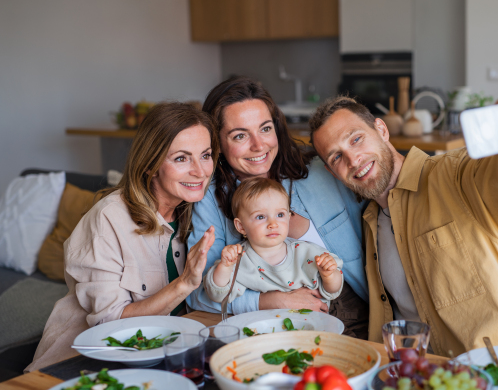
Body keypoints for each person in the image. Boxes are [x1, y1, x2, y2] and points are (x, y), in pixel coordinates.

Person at [308, 90, 498, 357]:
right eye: (336, 157)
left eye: (356, 139)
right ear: (331, 172)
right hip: (425, 375)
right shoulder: (369, 223)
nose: (353, 160)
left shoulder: (453, 175)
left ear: (382, 130)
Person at [27, 102, 218, 371]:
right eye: (181, 158)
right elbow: (112, 325)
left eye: (206, 155)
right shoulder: (108, 218)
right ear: (151, 164)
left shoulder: (196, 213)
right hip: (83, 366)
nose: (200, 171)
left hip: (163, 356)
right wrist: (184, 283)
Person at [186, 76, 369, 339]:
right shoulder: (211, 198)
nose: (259, 146)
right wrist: (274, 301)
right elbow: (197, 293)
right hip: (268, 327)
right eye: (240, 135)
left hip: (352, 314)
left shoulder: (322, 170)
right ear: (218, 143)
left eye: (265, 128)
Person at [204, 178, 343, 305]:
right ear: (241, 226)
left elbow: (333, 291)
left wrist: (329, 276)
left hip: (311, 323)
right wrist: (225, 267)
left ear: (288, 218)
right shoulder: (238, 259)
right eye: (260, 217)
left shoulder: (307, 252)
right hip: (263, 327)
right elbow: (217, 295)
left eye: (280, 215)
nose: (273, 224)